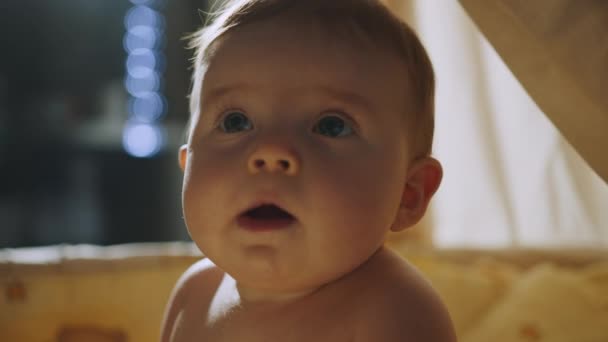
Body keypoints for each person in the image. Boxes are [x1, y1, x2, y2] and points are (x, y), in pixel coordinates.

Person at [161, 0, 456, 341]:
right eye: (235, 121)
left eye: (331, 126)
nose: (269, 152)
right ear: (187, 166)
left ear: (409, 193)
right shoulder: (194, 295)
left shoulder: (395, 312)